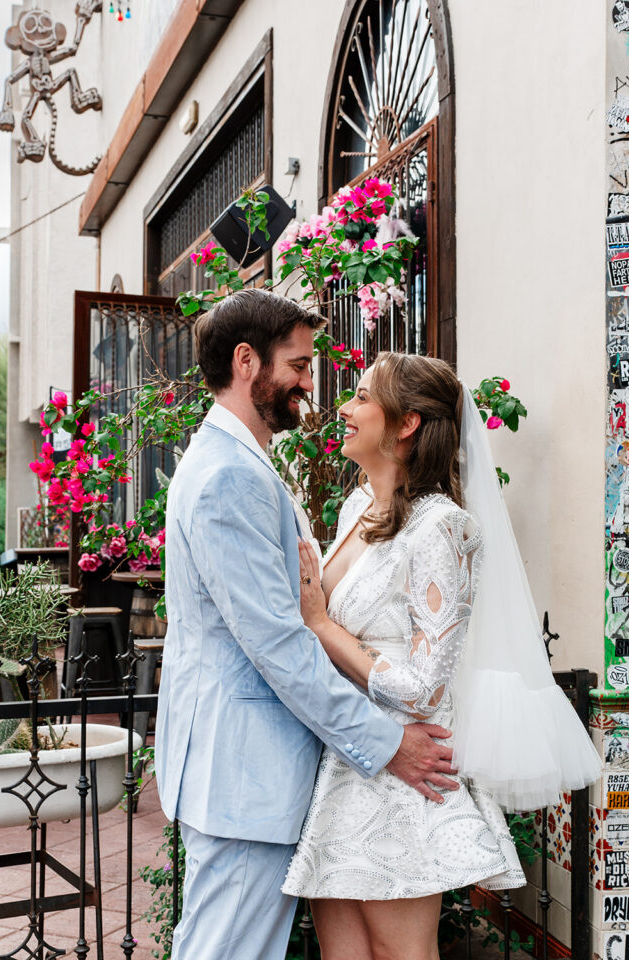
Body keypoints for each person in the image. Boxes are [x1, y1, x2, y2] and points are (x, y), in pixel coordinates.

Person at [154, 292, 460, 960]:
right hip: (244, 773)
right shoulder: (228, 477)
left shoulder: (244, 464)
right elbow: (279, 645)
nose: (308, 382)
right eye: (296, 363)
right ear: (245, 362)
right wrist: (386, 743)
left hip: (251, 773)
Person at [282, 352, 602, 960]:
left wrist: (320, 625)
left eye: (362, 398)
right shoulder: (356, 510)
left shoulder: (443, 528)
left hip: (405, 774)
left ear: (405, 424)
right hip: (343, 764)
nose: (344, 410)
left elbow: (426, 687)